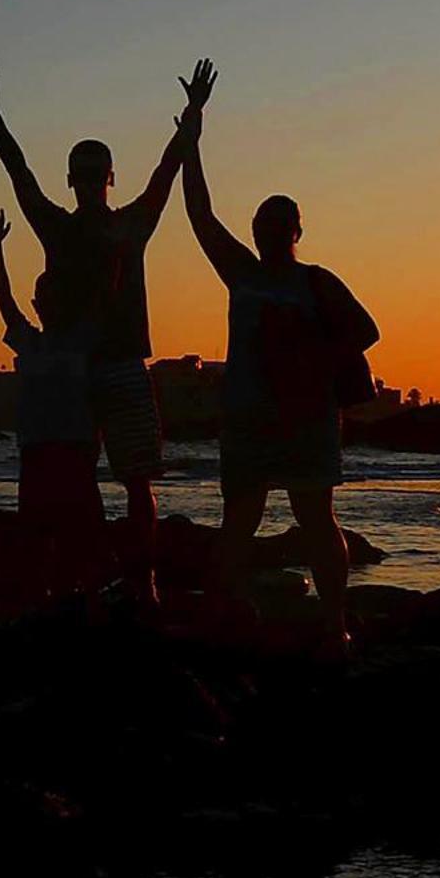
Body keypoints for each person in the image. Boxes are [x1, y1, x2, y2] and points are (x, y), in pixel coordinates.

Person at [0, 57, 216, 609]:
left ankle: (141, 581)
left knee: (136, 480)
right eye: (79, 172)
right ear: (72, 179)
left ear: (108, 177)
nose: (87, 180)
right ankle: (69, 580)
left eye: (95, 171)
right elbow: (18, 171)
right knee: (69, 484)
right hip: (71, 376)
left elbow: (167, 170)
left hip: (123, 364)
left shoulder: (132, 222)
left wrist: (194, 111)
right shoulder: (55, 225)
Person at [173, 65, 379, 652]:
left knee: (315, 518)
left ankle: (334, 620)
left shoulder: (316, 281)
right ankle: (225, 613)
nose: (270, 230)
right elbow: (199, 214)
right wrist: (193, 130)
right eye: (264, 223)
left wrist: (312, 362)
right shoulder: (241, 273)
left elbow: (367, 330)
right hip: (248, 419)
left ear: (296, 230)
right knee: (240, 518)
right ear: (258, 230)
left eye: (279, 224)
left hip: (306, 416)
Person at [0, 206, 105, 606]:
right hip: (36, 451)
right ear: (37, 304)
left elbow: (103, 290)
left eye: (57, 298)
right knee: (37, 534)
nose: (48, 305)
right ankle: (41, 600)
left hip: (74, 450)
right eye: (44, 299)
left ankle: (80, 599)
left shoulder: (83, 339)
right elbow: (4, 300)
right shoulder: (30, 341)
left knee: (79, 533)